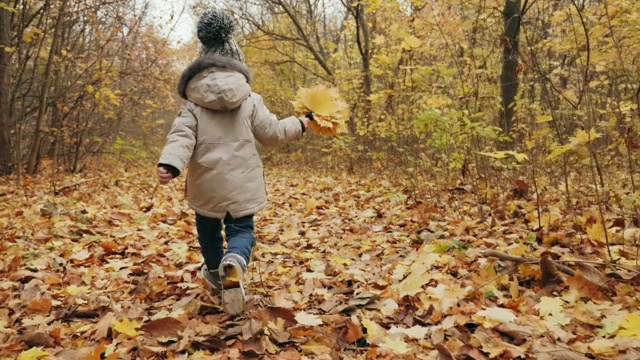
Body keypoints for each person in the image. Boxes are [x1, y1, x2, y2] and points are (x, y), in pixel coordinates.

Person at [156, 9, 310, 315]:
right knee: (241, 230)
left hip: (206, 185)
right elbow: (273, 134)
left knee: (208, 231)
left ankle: (216, 272)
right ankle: (235, 261)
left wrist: (170, 164)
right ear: (236, 63)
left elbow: (181, 137)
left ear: (200, 66)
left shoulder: (193, 104)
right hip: (242, 184)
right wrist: (302, 124)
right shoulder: (250, 99)